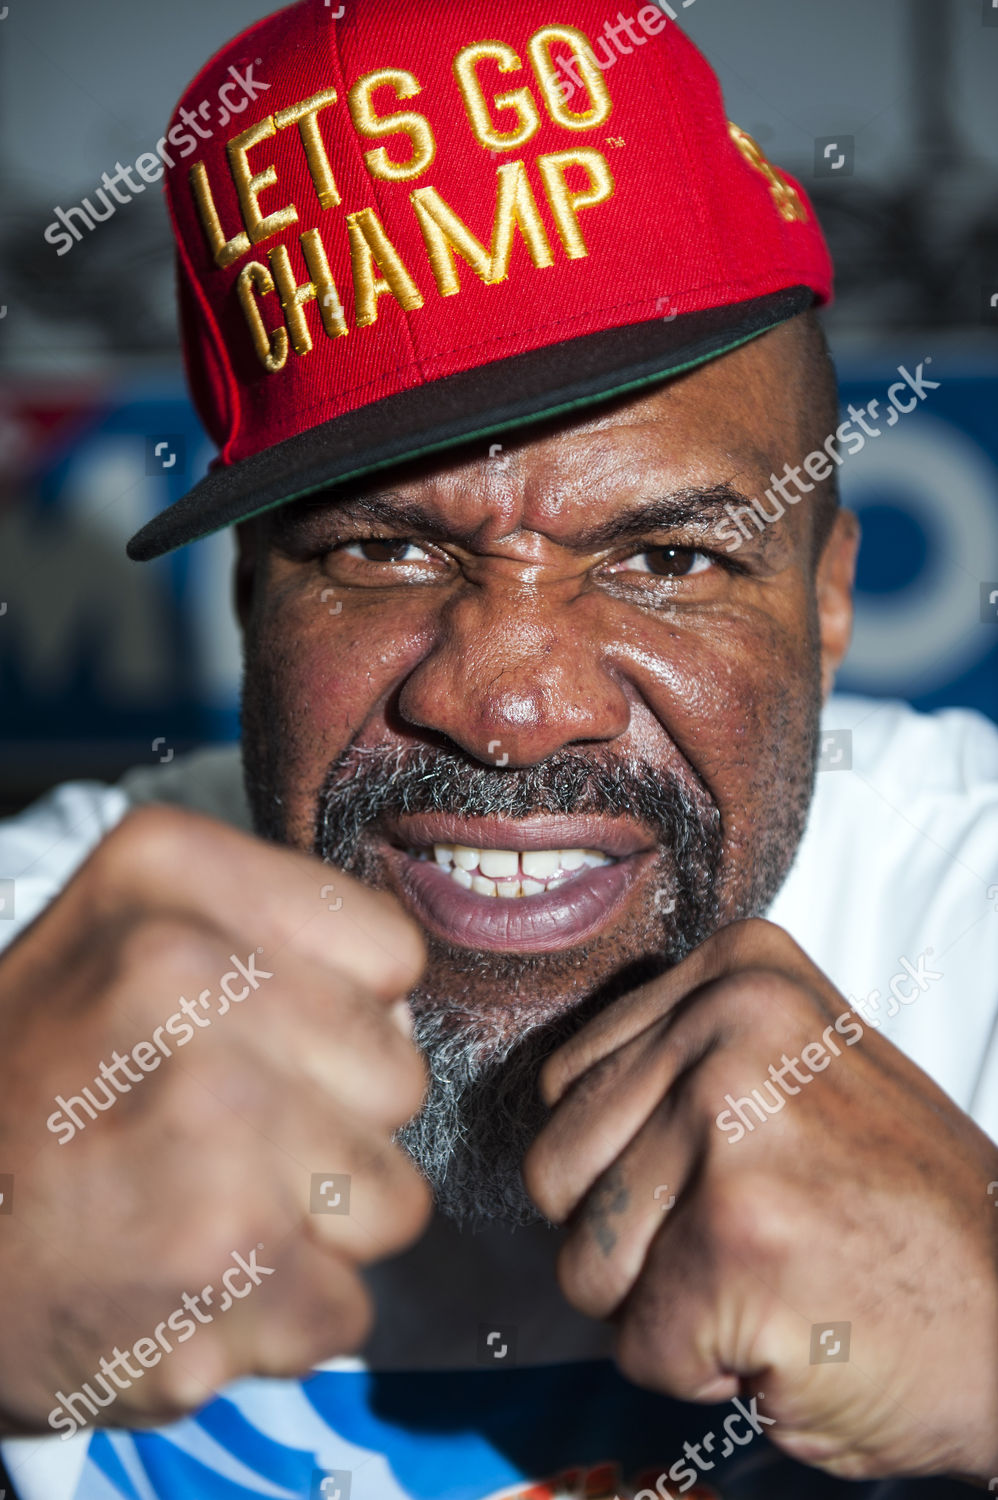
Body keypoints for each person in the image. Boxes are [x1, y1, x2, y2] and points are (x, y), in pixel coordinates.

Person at [0, 0, 996, 1495]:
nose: (510, 704)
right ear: (251, 600)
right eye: (384, 554)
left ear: (831, 594)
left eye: (666, 560)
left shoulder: (971, 912)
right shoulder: (47, 958)